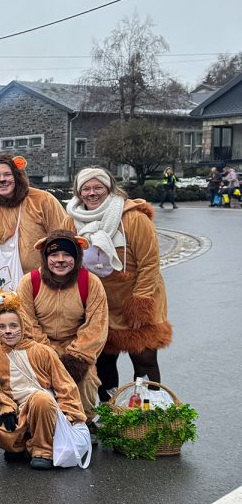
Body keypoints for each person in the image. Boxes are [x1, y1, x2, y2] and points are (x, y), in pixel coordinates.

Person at [65, 168, 170, 401]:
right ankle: (109, 409)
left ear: (109, 188)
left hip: (137, 297)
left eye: (98, 187)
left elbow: (150, 263)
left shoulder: (133, 217)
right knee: (103, 359)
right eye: (86, 189)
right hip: (100, 303)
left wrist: (140, 303)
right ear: (79, 192)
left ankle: (150, 408)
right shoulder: (71, 219)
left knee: (144, 358)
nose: (92, 193)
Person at [0, 292, 85, 470]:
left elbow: (65, 384)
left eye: (13, 325)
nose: (8, 331)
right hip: (14, 410)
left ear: (23, 326)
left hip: (42, 409)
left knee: (41, 399)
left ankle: (42, 449)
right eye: (3, 326)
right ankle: (18, 445)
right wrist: (6, 407)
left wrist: (71, 413)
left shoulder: (42, 351)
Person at [16, 230, 108, 414]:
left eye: (67, 254)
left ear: (77, 257)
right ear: (45, 256)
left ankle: (83, 422)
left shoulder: (90, 283)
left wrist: (76, 356)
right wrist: (47, 352)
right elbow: (26, 322)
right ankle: (37, 420)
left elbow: (96, 325)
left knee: (87, 380)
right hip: (39, 345)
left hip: (75, 345)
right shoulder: (29, 282)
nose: (60, 260)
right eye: (54, 254)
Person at [0, 154, 69, 295]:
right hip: (4, 295)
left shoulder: (42, 201)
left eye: (7, 174)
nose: (2, 180)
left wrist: (59, 280)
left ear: (17, 175)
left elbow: (64, 241)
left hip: (44, 288)